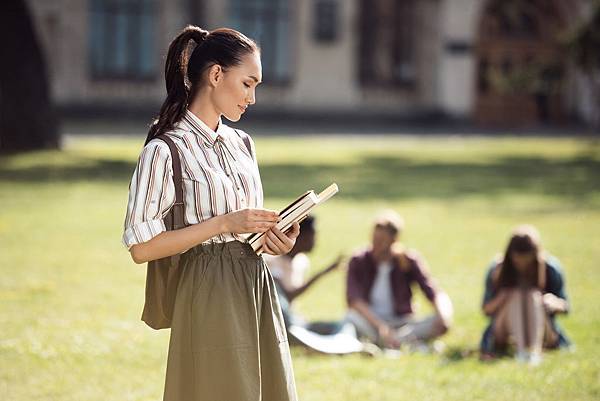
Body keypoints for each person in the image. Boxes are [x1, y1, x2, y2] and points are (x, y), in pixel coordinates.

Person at [122, 25, 299, 401]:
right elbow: (141, 247)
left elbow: (244, 234)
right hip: (206, 289)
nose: (252, 98)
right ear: (216, 75)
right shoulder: (165, 148)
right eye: (247, 83)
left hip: (255, 284)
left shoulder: (243, 145)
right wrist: (221, 224)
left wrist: (275, 241)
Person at [345, 210, 453, 350]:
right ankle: (405, 344)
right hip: (372, 321)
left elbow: (433, 291)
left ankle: (389, 343)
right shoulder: (358, 260)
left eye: (381, 241)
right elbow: (354, 301)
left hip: (402, 322)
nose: (376, 245)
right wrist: (381, 327)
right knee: (350, 318)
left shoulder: (408, 260)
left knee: (435, 321)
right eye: (374, 240)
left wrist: (443, 316)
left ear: (394, 240)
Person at [480, 225, 571, 364]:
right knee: (516, 295)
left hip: (542, 327)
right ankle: (521, 351)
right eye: (517, 261)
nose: (522, 266)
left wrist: (553, 302)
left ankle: (534, 352)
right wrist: (504, 297)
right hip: (504, 331)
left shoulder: (551, 268)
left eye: (527, 261)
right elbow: (486, 309)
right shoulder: (497, 269)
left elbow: (566, 307)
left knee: (533, 295)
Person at [265, 216, 343, 331]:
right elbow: (287, 296)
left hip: (294, 319)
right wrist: (323, 273)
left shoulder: (302, 261)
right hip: (280, 321)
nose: (315, 241)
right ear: (300, 236)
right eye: (313, 235)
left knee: (337, 327)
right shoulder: (271, 260)